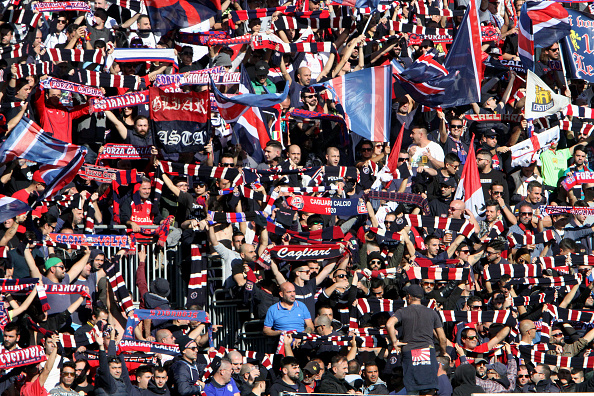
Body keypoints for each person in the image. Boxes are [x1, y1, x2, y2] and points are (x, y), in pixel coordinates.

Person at [386, 285, 447, 395]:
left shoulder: (402, 311)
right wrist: (443, 352)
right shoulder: (432, 313)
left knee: (412, 389)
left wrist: (394, 342)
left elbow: (389, 324)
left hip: (409, 352)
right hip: (427, 352)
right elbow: (442, 338)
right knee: (429, 389)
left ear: (408, 297)